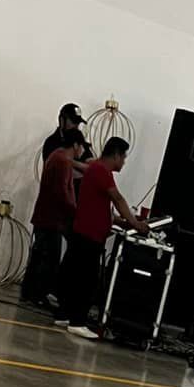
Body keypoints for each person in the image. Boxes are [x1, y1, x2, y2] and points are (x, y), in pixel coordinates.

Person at [57, 137, 140, 338]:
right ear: (116, 155)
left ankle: (65, 315)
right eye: (124, 157)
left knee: (75, 276)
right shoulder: (102, 171)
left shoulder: (94, 169)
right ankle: (78, 321)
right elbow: (117, 198)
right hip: (89, 235)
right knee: (87, 280)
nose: (124, 162)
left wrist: (122, 221)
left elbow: (102, 207)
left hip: (83, 231)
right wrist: (136, 223)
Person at [20, 135, 79, 309]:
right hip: (51, 219)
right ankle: (38, 294)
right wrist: (74, 211)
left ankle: (29, 292)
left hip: (46, 216)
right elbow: (63, 190)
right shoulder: (63, 160)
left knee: (39, 255)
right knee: (49, 258)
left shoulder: (56, 156)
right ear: (76, 144)